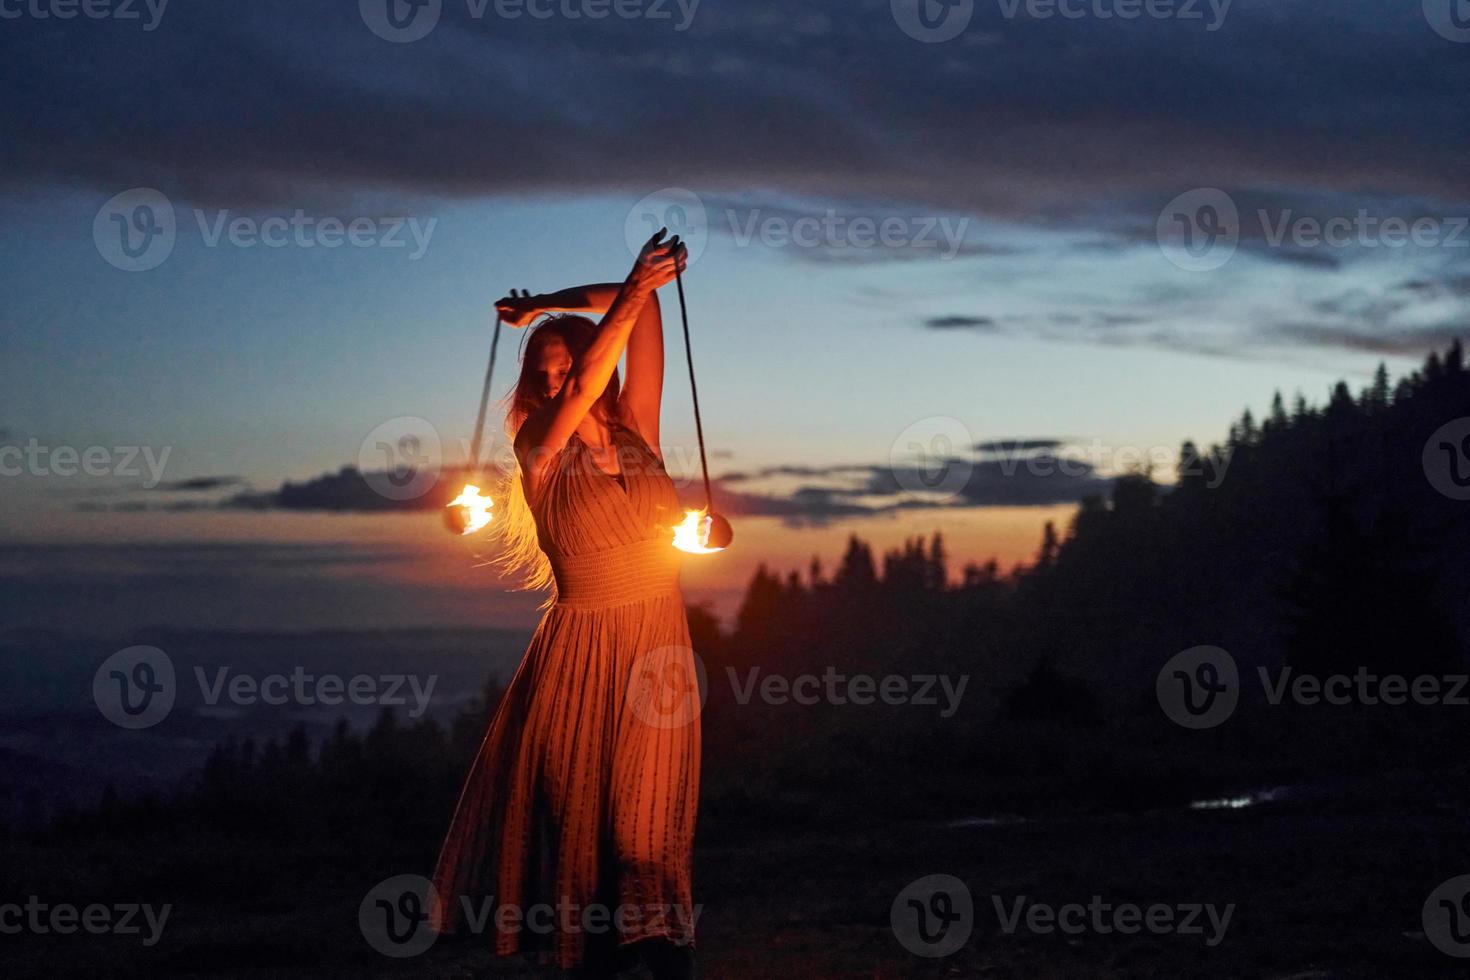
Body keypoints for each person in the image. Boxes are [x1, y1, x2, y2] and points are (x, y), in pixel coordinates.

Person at [430, 229, 700, 979]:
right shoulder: (538, 454)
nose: (556, 383)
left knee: (647, 838)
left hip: (659, 648)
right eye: (542, 376)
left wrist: (546, 305)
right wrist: (635, 283)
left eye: (567, 366)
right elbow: (608, 347)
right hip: (580, 660)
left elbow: (637, 318)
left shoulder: (640, 430)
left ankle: (669, 961)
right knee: (588, 846)